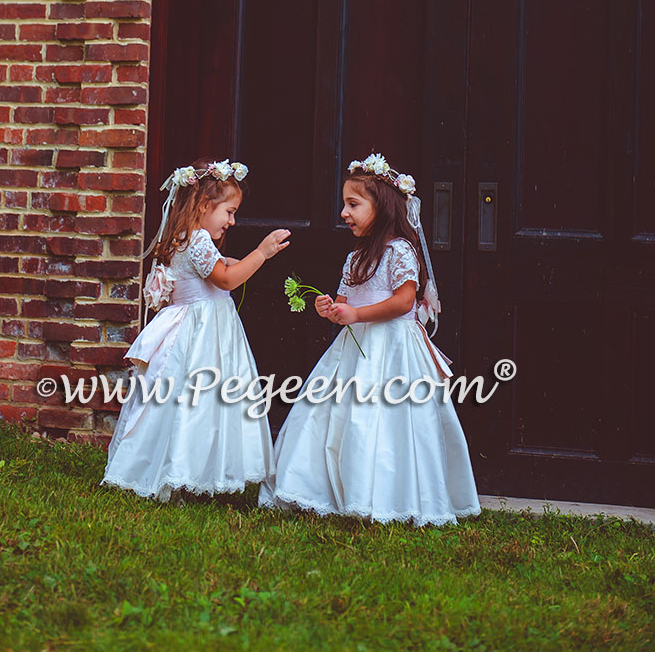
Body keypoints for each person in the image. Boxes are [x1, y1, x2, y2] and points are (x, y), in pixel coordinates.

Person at [260, 153, 480, 526]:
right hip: (353, 353)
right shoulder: (355, 258)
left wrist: (357, 315)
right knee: (340, 417)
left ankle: (389, 493)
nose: (344, 213)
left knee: (388, 420)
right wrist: (329, 307)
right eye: (344, 204)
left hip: (392, 352)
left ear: (383, 207)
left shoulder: (400, 251)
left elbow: (404, 301)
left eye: (353, 204)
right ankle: (326, 487)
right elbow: (345, 302)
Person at [102, 157, 290, 502]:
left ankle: (181, 467)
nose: (232, 221)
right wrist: (261, 253)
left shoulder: (184, 237)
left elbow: (214, 268)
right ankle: (187, 469)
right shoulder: (200, 240)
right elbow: (226, 278)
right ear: (204, 205)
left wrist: (235, 260)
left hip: (194, 327)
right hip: (202, 332)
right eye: (229, 212)